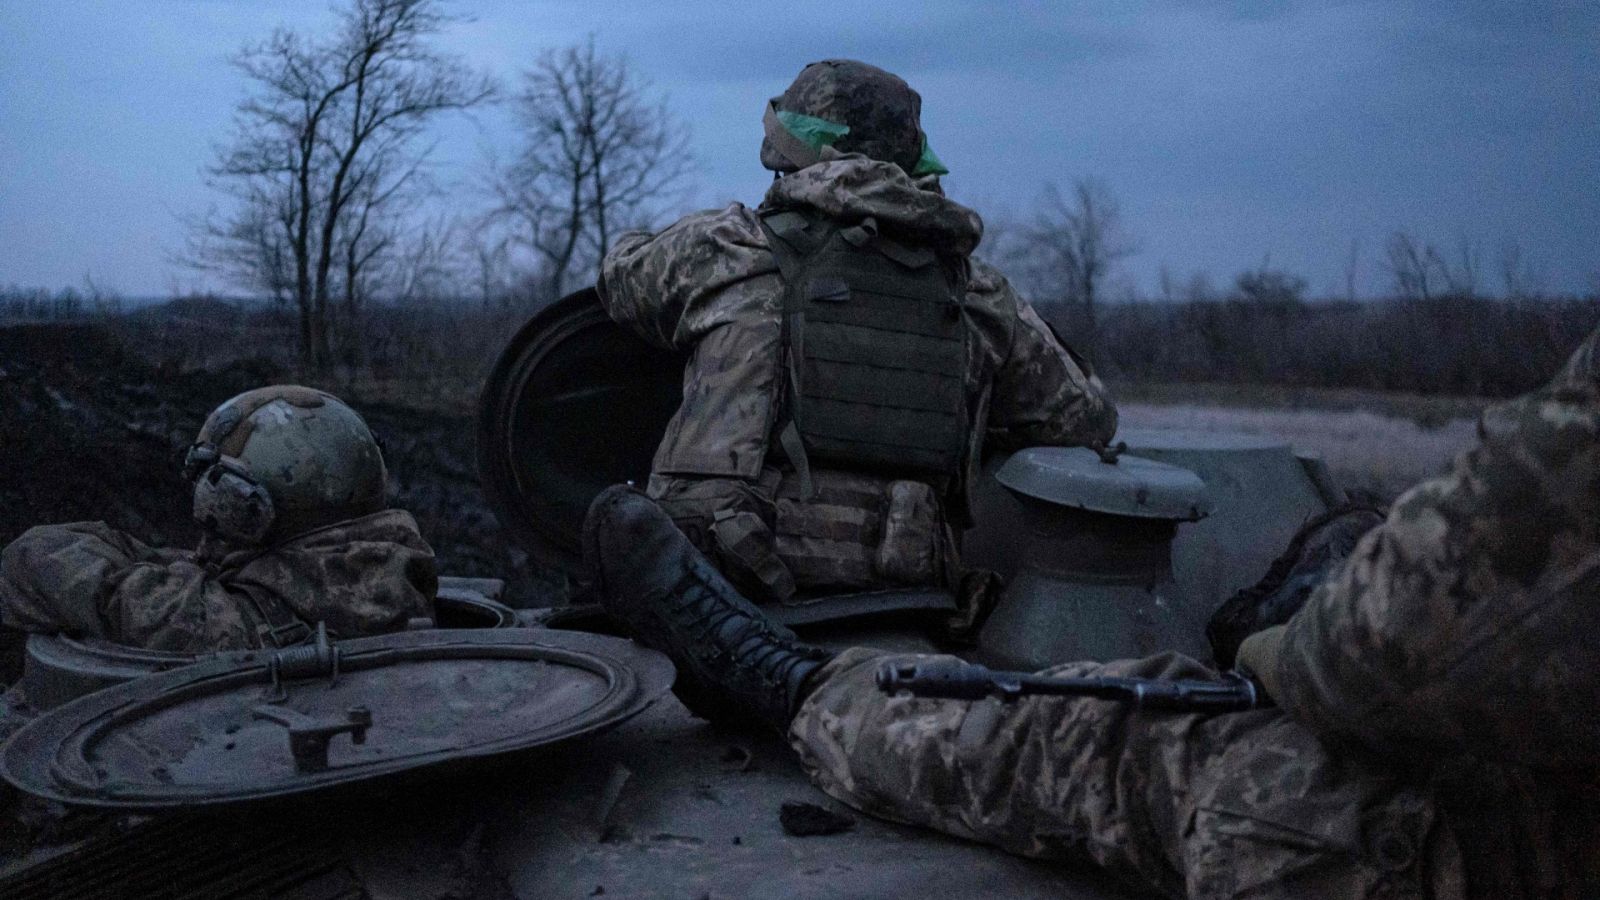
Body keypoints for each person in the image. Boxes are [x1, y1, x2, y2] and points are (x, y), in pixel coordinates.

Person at [586, 321, 1600, 899]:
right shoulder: (975, 284)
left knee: (1124, 739)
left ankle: (795, 684)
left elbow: (1375, 660)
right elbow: (1083, 416)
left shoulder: (718, 243)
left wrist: (1272, 652)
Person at [597, 59, 1116, 618]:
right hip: (903, 601)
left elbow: (621, 281)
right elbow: (1083, 420)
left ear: (790, 155)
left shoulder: (729, 248)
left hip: (722, 599)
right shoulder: (980, 293)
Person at [0, 385, 438, 654]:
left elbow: (28, 560)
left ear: (269, 519)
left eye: (225, 515)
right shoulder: (386, 571)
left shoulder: (230, 624)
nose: (205, 548)